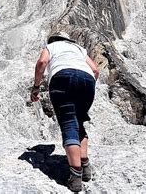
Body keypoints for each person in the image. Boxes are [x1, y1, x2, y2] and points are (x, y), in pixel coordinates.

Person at [32, 31, 99, 192]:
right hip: (87, 80)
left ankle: (75, 177)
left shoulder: (51, 46)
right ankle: (85, 166)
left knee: (69, 123)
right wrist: (87, 85)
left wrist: (36, 87)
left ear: (54, 40)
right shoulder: (78, 49)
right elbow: (96, 70)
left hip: (62, 78)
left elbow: (42, 62)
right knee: (79, 121)